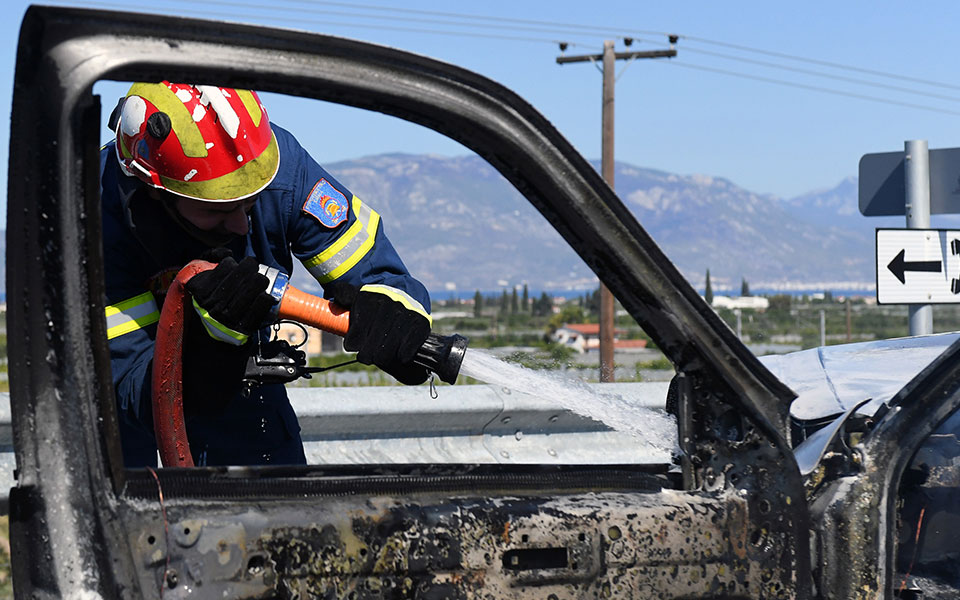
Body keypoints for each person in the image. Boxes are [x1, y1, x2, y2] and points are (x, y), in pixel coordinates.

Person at [101, 81, 432, 467]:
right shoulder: (95, 217)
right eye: (220, 210)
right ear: (155, 189)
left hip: (244, 397)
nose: (242, 225)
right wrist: (213, 344)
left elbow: (380, 273)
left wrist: (394, 314)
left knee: (276, 521)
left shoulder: (269, 164)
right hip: (121, 425)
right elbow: (128, 386)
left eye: (251, 204)